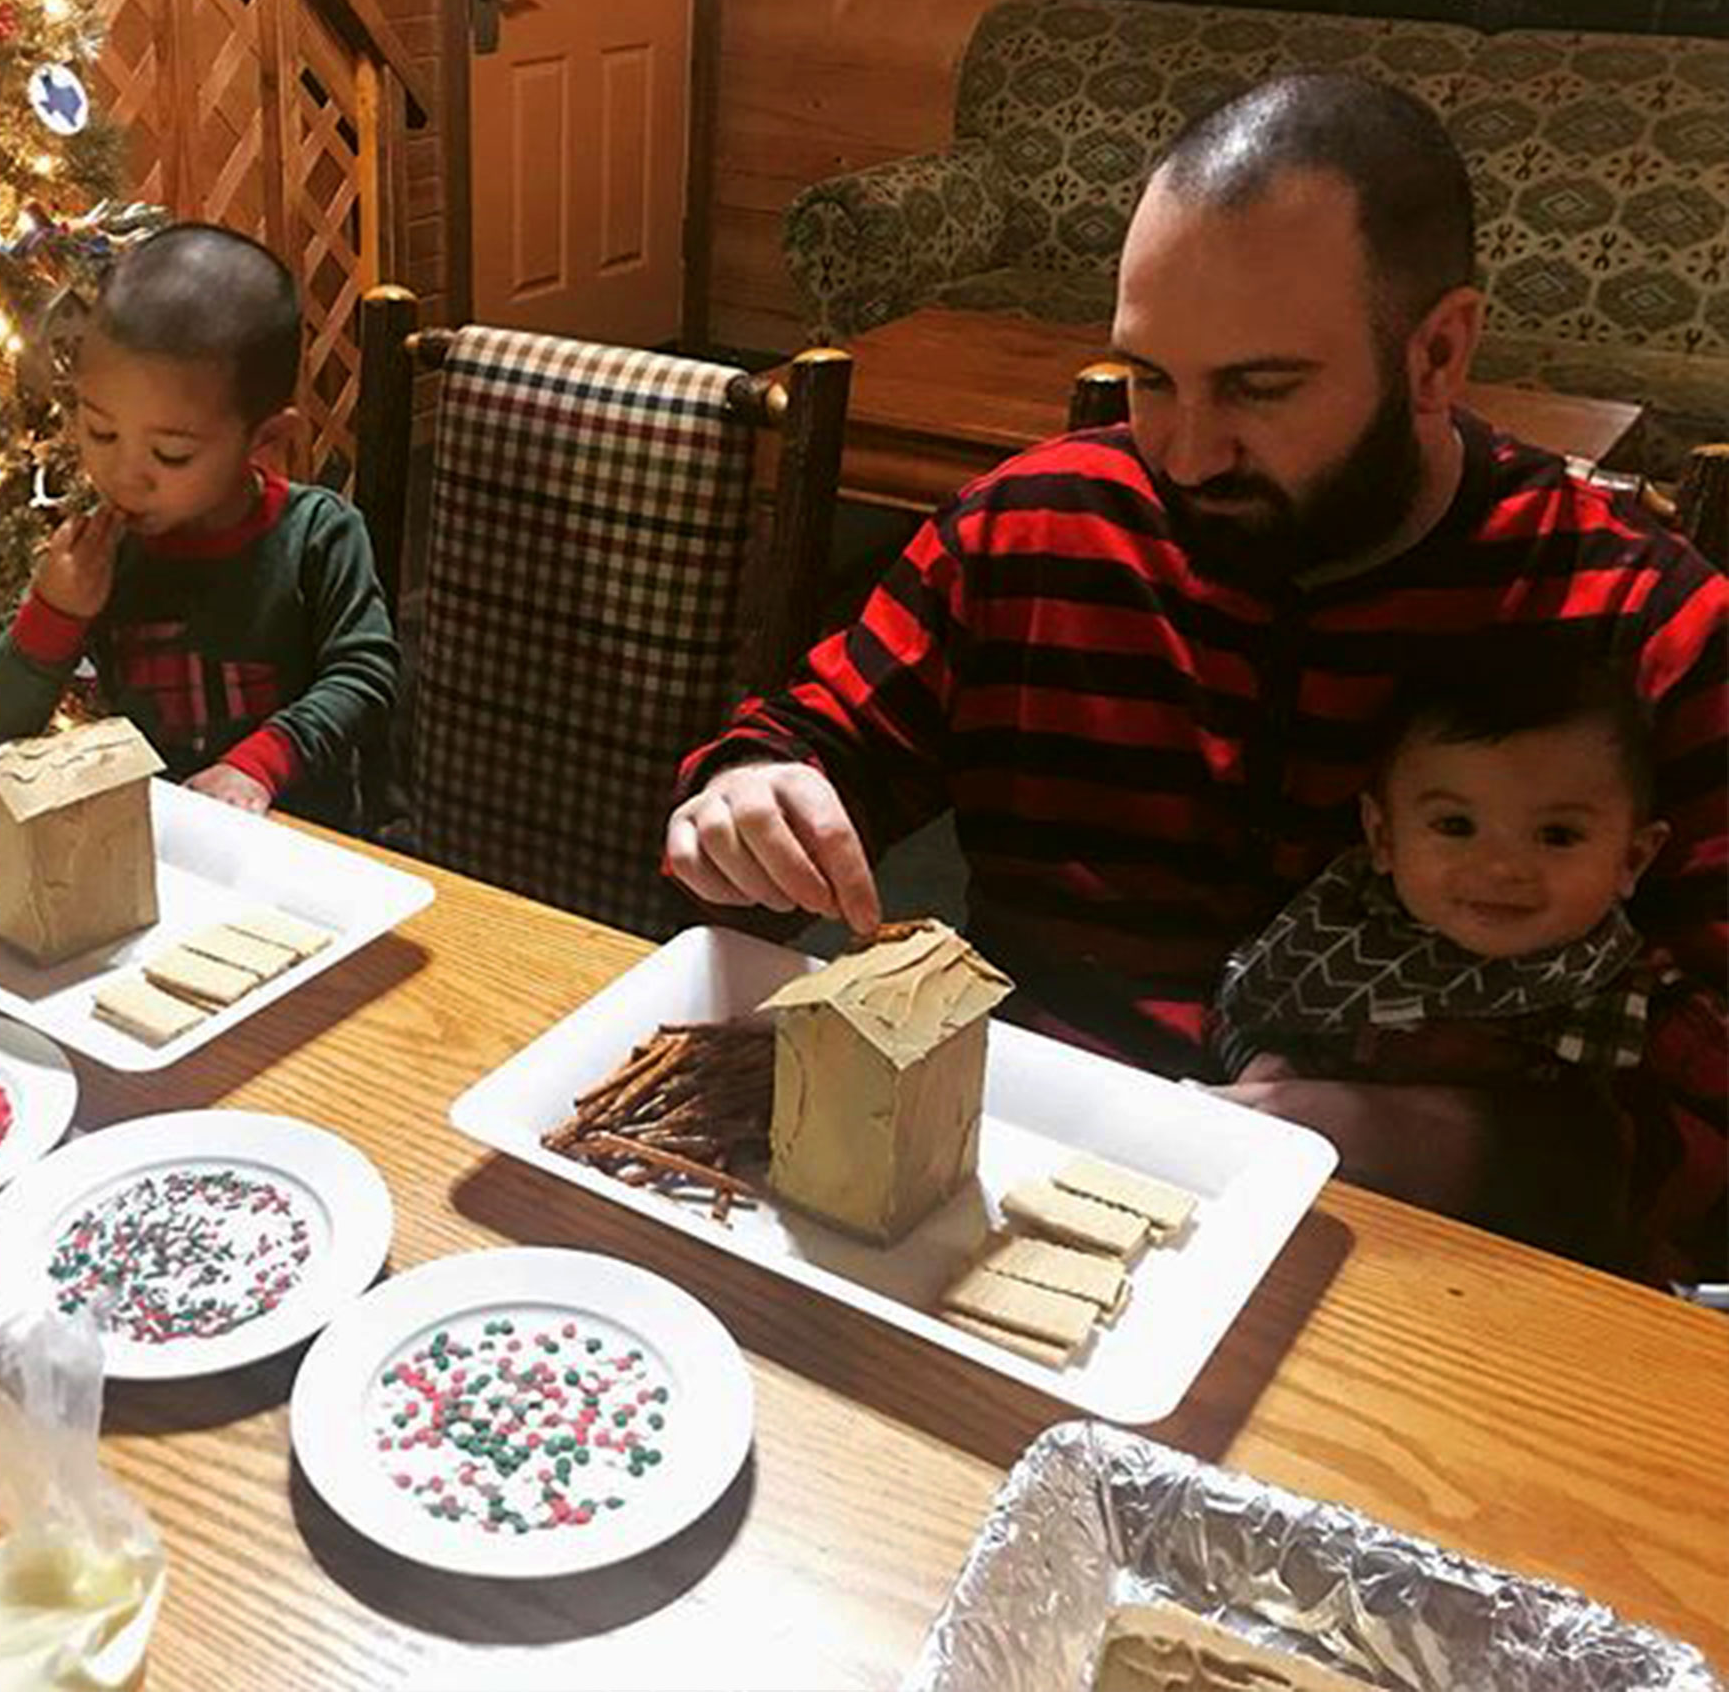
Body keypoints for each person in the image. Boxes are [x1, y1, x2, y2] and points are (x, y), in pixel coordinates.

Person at [664, 72, 1727, 1279]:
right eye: (1150, 378)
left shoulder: (1646, 620)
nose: (1182, 451)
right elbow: (812, 744)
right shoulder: (1031, 528)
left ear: (1438, 351)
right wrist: (752, 794)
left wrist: (1437, 1140)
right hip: (1012, 1180)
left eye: (1259, 389)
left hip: (1439, 1256)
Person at [1207, 658, 1712, 1263]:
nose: (1501, 868)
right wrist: (1265, 1066)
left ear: (1633, 858)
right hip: (1326, 1227)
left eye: (1557, 835)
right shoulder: (1341, 933)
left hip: (1532, 1265)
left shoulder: (1624, 988)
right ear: (1383, 836)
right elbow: (1245, 1007)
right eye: (1456, 824)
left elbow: (1670, 1162)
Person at [0, 223, 400, 829]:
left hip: (300, 845)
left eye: (170, 454)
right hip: (151, 842)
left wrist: (258, 765)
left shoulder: (317, 535)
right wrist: (55, 611)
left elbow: (365, 679)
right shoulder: (103, 551)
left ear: (267, 441)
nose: (124, 475)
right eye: (100, 432)